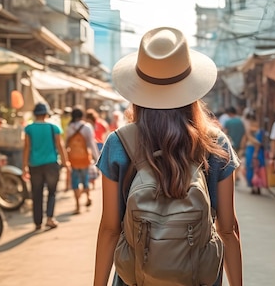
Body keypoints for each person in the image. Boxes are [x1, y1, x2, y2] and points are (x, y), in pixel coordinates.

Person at [93, 27, 243, 286]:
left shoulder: (119, 143)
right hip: (198, 277)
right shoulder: (215, 142)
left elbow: (109, 228)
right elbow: (228, 230)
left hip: (136, 278)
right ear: (191, 87)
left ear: (138, 89)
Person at [22, 103, 69, 230]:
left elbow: (27, 148)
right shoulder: (54, 127)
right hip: (51, 164)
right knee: (52, 192)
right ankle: (50, 218)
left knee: (36, 194)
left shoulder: (29, 128)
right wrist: (66, 163)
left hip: (35, 165)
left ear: (35, 114)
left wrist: (24, 166)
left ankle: (38, 222)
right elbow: (60, 146)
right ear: (46, 113)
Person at [66, 107, 100, 214]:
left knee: (75, 181)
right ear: (82, 116)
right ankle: (88, 198)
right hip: (85, 157)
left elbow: (66, 143)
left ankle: (77, 206)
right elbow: (91, 143)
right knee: (85, 178)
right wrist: (97, 157)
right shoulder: (87, 127)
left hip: (73, 158)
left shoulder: (69, 127)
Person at [242, 108, 265, 194]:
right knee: (257, 166)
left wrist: (256, 143)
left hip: (251, 148)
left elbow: (248, 137)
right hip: (257, 149)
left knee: (252, 167)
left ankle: (253, 186)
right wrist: (258, 143)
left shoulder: (249, 125)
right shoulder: (258, 125)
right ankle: (257, 186)